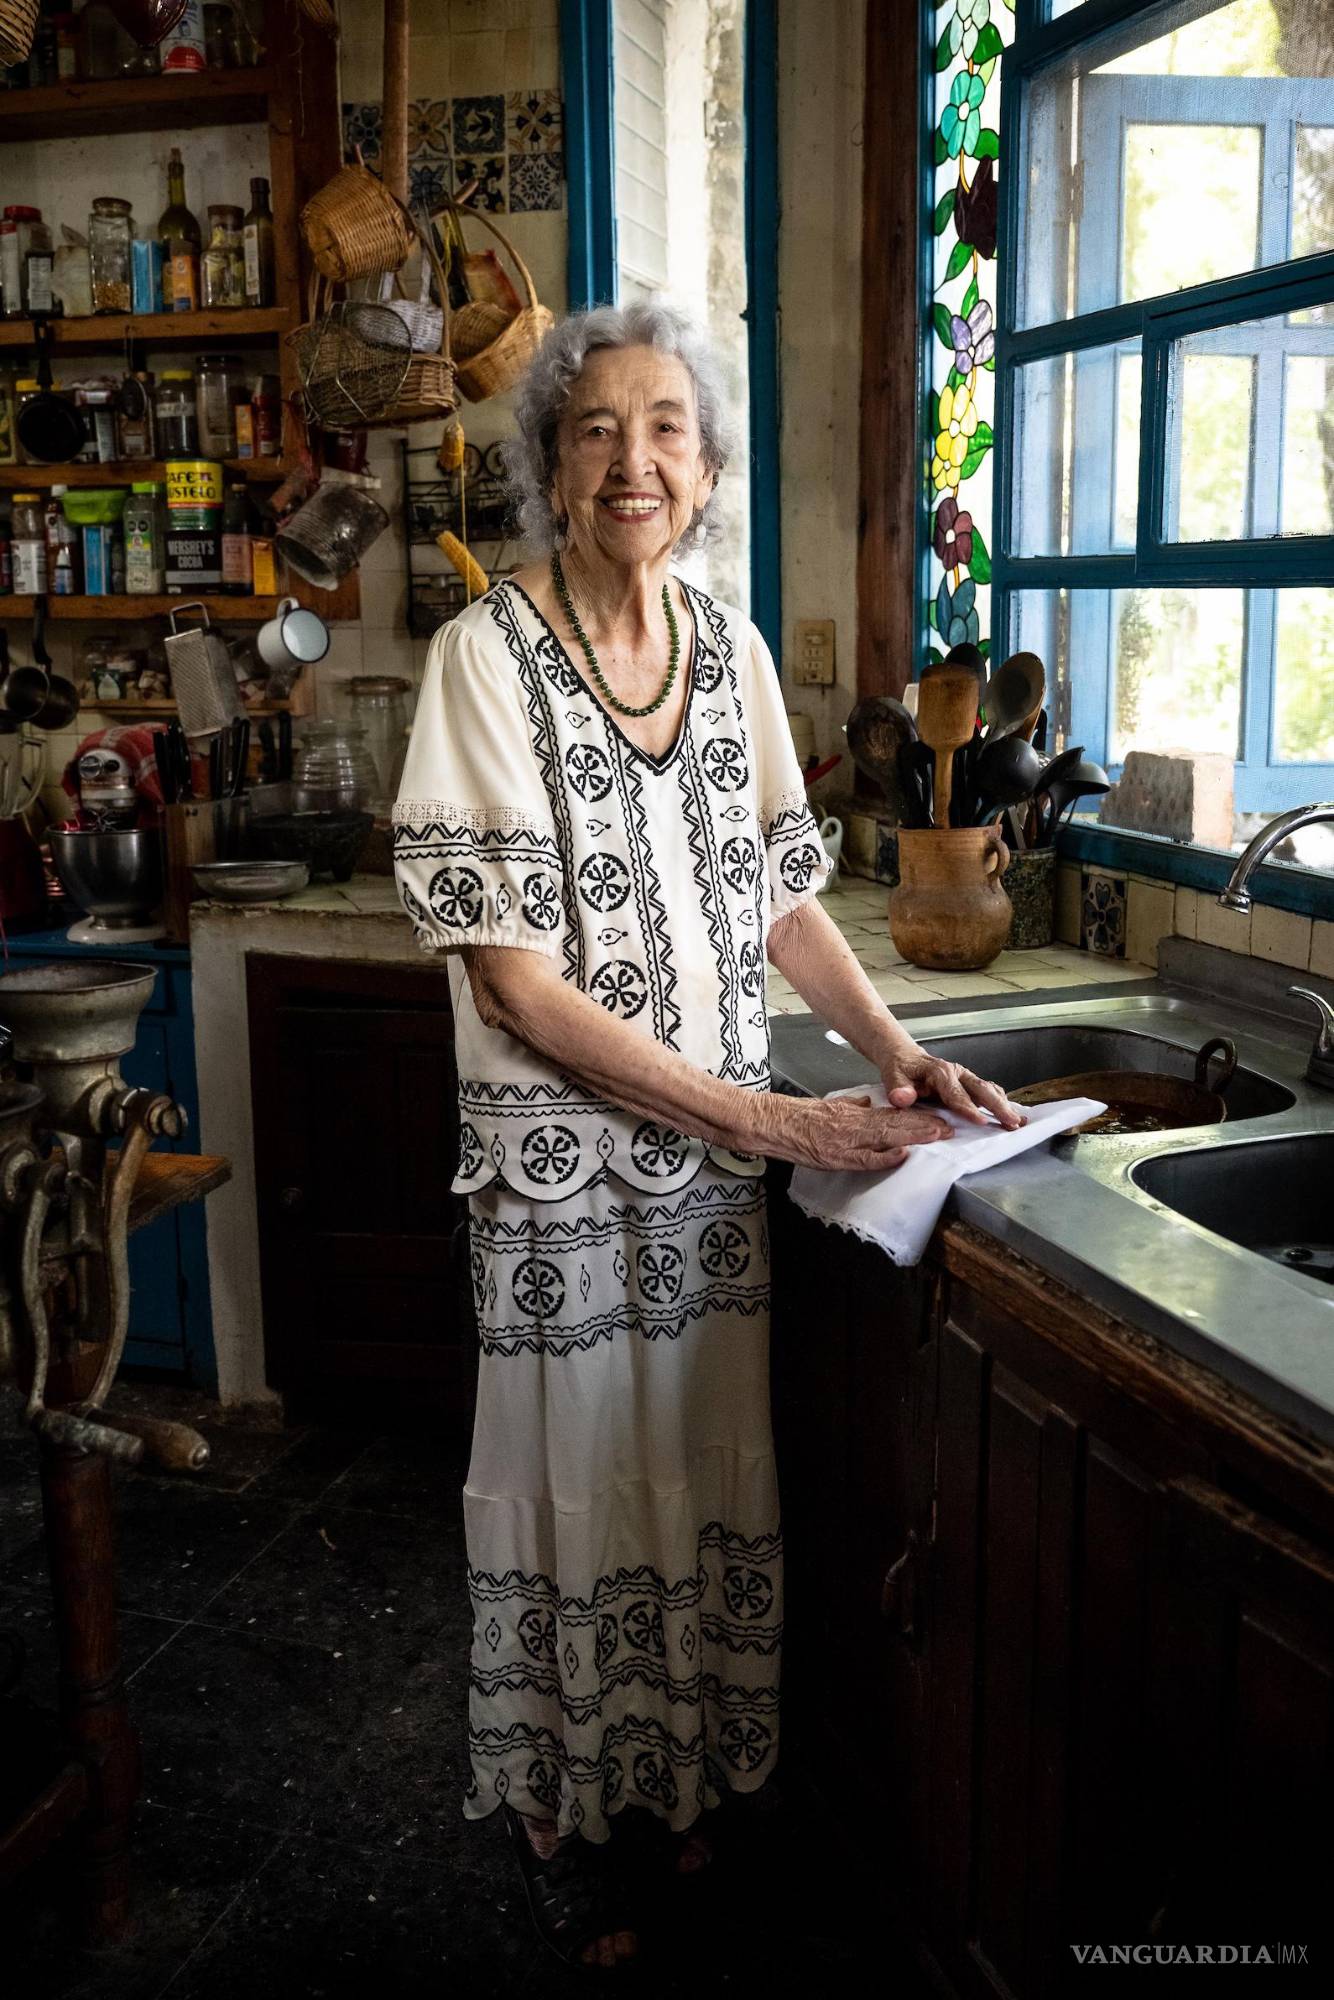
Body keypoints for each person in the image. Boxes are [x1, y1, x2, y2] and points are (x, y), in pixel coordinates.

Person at [391, 300, 1022, 1972]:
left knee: (687, 1475)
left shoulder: (729, 654)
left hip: (704, 1184)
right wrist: (763, 1110)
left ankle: (671, 1788)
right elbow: (516, 983)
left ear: (708, 467)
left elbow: (782, 901)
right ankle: (562, 1813)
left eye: (666, 427)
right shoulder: (483, 660)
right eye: (594, 429)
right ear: (547, 464)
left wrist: (903, 1052)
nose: (632, 460)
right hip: (562, 1176)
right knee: (576, 1479)